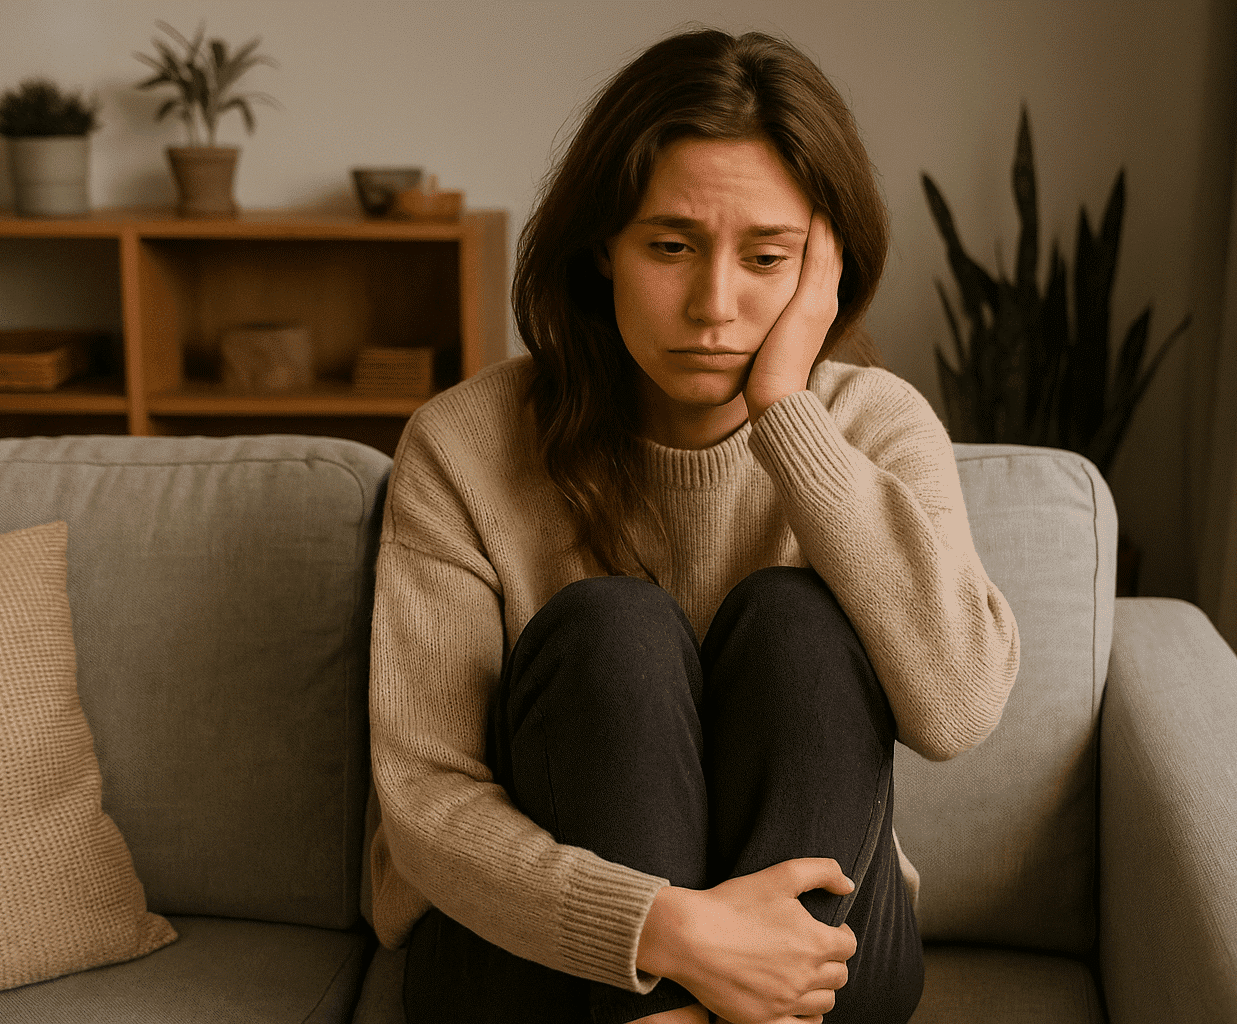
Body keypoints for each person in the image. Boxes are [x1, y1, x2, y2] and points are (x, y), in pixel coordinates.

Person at [367, 27, 1020, 1024]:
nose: (714, 305)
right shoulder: (462, 446)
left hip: (818, 961)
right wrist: (664, 930)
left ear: (824, 268)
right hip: (548, 953)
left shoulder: (874, 428)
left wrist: (788, 411)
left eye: (768, 256)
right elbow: (424, 804)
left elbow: (957, 706)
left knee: (799, 621)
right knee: (611, 630)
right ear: (603, 247)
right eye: (671, 246)